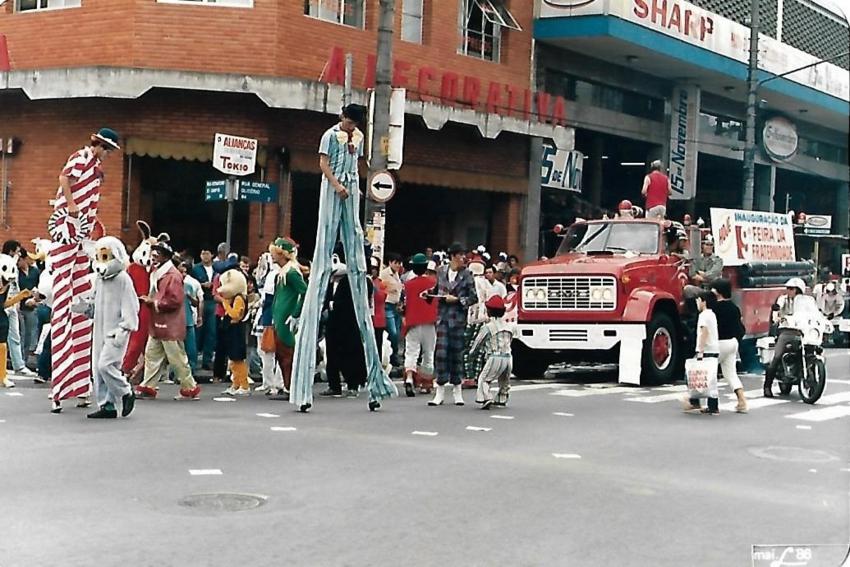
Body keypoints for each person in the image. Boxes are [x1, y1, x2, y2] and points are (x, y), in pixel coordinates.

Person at [290, 104, 396, 412]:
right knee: (324, 245)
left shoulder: (358, 136)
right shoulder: (329, 135)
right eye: (350, 122)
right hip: (334, 188)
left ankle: (374, 383)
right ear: (343, 118)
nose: (352, 127)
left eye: (355, 124)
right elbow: (323, 165)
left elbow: (357, 162)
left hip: (351, 188)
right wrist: (336, 186)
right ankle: (302, 387)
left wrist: (354, 187)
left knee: (355, 247)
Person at [134, 240, 200, 401]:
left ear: (165, 257)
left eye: (158, 254)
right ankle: (148, 386)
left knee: (177, 358)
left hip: (170, 324)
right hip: (159, 321)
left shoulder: (172, 276)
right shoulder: (159, 273)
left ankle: (189, 387)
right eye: (154, 252)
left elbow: (175, 301)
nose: (154, 256)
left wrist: (152, 302)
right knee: (152, 355)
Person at [83, 237, 139, 419]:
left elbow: (131, 308)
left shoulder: (123, 279)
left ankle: (125, 391)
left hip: (116, 331)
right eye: (99, 257)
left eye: (106, 257)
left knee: (106, 365)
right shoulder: (100, 280)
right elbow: (95, 305)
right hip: (99, 328)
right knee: (97, 369)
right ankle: (107, 405)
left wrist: (124, 329)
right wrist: (84, 308)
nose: (101, 262)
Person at [429, 242, 477, 407]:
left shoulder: (467, 274)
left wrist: (458, 300)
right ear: (452, 256)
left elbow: (473, 297)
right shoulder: (441, 271)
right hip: (442, 318)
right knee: (441, 353)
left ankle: (457, 390)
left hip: (458, 319)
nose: (464, 258)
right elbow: (437, 290)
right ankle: (439, 391)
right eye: (460, 255)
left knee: (456, 354)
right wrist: (428, 294)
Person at [764, 278, 818, 398]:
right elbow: (777, 309)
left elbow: (815, 313)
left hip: (804, 331)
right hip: (786, 330)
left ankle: (812, 383)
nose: (788, 291)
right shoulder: (783, 299)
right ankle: (767, 386)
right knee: (777, 356)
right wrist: (777, 311)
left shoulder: (807, 301)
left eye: (791, 289)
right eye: (788, 288)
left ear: (798, 290)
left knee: (812, 351)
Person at [268, 237, 307, 402]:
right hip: (280, 318)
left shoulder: (291, 272)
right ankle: (287, 386)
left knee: (287, 354)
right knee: (281, 354)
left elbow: (304, 292)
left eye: (275, 253)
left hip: (287, 319)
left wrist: (296, 314)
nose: (272, 257)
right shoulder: (283, 272)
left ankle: (290, 387)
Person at [402, 253, 437, 397]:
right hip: (429, 322)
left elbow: (404, 304)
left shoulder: (408, 285)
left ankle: (410, 378)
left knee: (411, 352)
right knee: (428, 353)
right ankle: (426, 384)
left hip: (412, 322)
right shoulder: (433, 282)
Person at [470, 295, 514, 409]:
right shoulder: (509, 326)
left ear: (489, 311)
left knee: (484, 379)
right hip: (508, 356)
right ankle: (502, 398)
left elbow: (478, 342)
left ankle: (486, 397)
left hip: (495, 356)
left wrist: (471, 353)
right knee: (504, 381)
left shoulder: (488, 327)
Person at [711, 279, 747, 413]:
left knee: (710, 372)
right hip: (732, 343)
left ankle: (709, 404)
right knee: (731, 374)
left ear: (717, 292)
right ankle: (742, 401)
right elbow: (740, 328)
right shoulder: (734, 307)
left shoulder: (713, 309)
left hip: (718, 343)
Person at [683, 290, 721, 415]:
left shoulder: (704, 315)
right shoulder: (712, 314)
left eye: (698, 301)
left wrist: (700, 350)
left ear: (703, 302)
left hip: (707, 350)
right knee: (711, 378)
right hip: (714, 349)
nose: (697, 303)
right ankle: (712, 406)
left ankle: (694, 401)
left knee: (693, 375)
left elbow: (704, 332)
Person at [3, 241, 35, 378]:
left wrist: (16, 300)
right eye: (16, 251)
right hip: (4, 302)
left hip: (12, 304)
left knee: (15, 336)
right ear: (10, 251)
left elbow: (15, 285)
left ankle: (19, 364)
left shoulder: (14, 267)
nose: (18, 254)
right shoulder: (3, 264)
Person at [217, 268, 250, 397]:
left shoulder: (239, 299)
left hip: (237, 330)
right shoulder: (233, 298)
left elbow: (235, 314)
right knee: (232, 359)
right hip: (231, 330)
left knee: (238, 359)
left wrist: (225, 304)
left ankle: (244, 385)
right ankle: (235, 384)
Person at [192, 248, 217, 370]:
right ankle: (194, 359)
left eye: (207, 253)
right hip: (200, 300)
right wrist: (202, 285)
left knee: (211, 331)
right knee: (198, 330)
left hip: (213, 300)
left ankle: (207, 360)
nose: (205, 256)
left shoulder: (216, 268)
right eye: (202, 253)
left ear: (212, 255)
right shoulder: (196, 268)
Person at [178, 262, 203, 373]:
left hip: (188, 320)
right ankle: (176, 373)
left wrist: (189, 296)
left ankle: (191, 370)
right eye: (181, 272)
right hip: (176, 321)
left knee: (191, 348)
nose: (183, 274)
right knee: (178, 349)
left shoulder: (189, 285)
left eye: (184, 272)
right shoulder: (171, 285)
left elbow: (195, 303)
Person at [380, 252, 404, 368]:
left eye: (399, 263)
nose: (398, 265)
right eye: (396, 263)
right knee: (393, 332)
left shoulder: (397, 274)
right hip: (387, 305)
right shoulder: (384, 274)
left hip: (396, 306)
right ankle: (392, 356)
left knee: (397, 333)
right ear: (390, 263)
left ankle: (393, 355)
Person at [17, 250, 40, 361]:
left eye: (20, 260)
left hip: (31, 305)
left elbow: (39, 286)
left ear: (25, 259)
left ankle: (26, 358)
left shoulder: (35, 271)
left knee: (30, 333)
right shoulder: (16, 272)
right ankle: (19, 358)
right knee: (21, 333)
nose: (18, 262)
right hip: (19, 305)